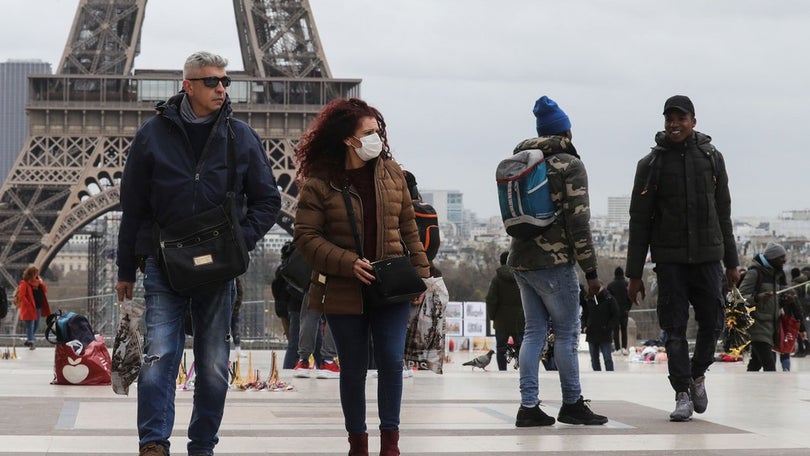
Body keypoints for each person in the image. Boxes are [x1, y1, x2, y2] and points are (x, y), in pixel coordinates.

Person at [115, 51, 280, 456]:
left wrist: (239, 240)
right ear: (187, 85)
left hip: (218, 267)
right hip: (163, 264)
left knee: (212, 364)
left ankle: (202, 445)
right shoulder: (152, 135)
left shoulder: (241, 136)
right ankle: (153, 442)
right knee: (159, 355)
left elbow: (267, 201)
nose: (221, 88)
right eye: (211, 81)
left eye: (225, 81)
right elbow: (132, 206)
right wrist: (125, 269)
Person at [293, 97, 430, 456]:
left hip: (391, 283)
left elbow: (408, 227)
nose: (377, 139)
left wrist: (421, 275)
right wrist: (346, 262)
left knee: (390, 361)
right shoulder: (320, 182)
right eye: (369, 133)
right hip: (343, 286)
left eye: (378, 132)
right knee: (352, 368)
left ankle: (391, 444)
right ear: (348, 139)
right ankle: (358, 444)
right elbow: (306, 238)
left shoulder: (391, 172)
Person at [626, 95, 740, 422]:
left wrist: (731, 264)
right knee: (673, 328)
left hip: (708, 258)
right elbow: (639, 222)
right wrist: (635, 274)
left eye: (681, 118)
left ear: (693, 120)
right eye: (669, 119)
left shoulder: (712, 159)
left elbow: (724, 214)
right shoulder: (651, 165)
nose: (674, 124)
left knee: (713, 322)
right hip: (670, 260)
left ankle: (697, 374)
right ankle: (681, 392)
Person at [510, 96, 608, 428]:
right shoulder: (569, 164)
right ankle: (572, 403)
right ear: (566, 130)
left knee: (533, 331)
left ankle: (528, 406)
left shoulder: (524, 161)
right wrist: (591, 272)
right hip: (555, 260)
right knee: (566, 333)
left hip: (521, 259)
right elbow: (578, 222)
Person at [739, 243, 797, 372]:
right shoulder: (754, 273)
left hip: (771, 326)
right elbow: (740, 298)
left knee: (756, 363)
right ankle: (772, 389)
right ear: (772, 258)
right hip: (756, 325)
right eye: (781, 257)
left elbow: (772, 303)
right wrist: (757, 298)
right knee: (769, 364)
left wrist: (785, 301)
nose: (784, 260)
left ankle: (749, 388)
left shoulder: (775, 275)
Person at [486, 251, 525, 371]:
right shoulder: (522, 277)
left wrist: (493, 317)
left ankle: (502, 371)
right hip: (520, 319)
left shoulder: (497, 279)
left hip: (501, 320)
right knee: (522, 348)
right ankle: (523, 370)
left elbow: (491, 300)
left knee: (501, 348)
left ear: (501, 262)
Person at [293, 294, 341, 379]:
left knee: (309, 315)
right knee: (334, 315)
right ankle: (328, 362)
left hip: (314, 284)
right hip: (335, 285)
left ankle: (303, 361)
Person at [582, 287, 619, 371]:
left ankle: (609, 375)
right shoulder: (589, 300)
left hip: (604, 332)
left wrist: (608, 327)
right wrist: (584, 326)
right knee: (594, 359)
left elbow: (615, 315)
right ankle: (597, 375)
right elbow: (584, 315)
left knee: (607, 358)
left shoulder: (609, 299)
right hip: (591, 332)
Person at [16, 266, 51, 349]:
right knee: (30, 325)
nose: (36, 275)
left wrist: (42, 283)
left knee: (36, 324)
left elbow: (45, 290)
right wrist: (28, 304)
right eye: (35, 273)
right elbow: (22, 295)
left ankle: (29, 339)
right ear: (31, 274)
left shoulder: (38, 282)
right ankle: (31, 341)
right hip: (29, 308)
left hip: (38, 307)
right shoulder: (24, 283)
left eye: (37, 273)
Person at [607, 266, 633, 355]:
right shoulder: (627, 284)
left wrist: (610, 310)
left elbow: (608, 299)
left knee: (615, 330)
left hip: (614, 312)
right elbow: (630, 298)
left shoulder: (610, 286)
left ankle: (617, 349)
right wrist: (628, 308)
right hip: (624, 310)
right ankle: (624, 348)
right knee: (624, 329)